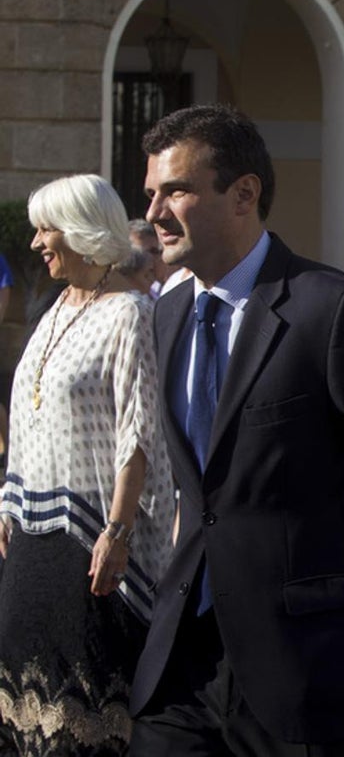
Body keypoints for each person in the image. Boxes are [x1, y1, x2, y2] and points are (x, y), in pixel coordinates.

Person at [128, 104, 344, 756]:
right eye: (151, 193)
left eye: (177, 191)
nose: (155, 212)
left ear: (243, 194)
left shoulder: (332, 310)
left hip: (315, 668)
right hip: (188, 662)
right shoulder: (168, 314)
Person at [0, 174, 175, 754]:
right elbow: (31, 416)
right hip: (31, 545)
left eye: (45, 230)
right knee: (23, 712)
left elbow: (138, 433)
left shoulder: (129, 313)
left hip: (91, 547)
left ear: (80, 231)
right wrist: (7, 503)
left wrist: (118, 531)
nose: (36, 243)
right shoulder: (55, 307)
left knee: (83, 720)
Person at [128, 218, 171, 298]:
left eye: (155, 252)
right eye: (141, 253)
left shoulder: (169, 287)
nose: (150, 259)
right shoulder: (122, 299)